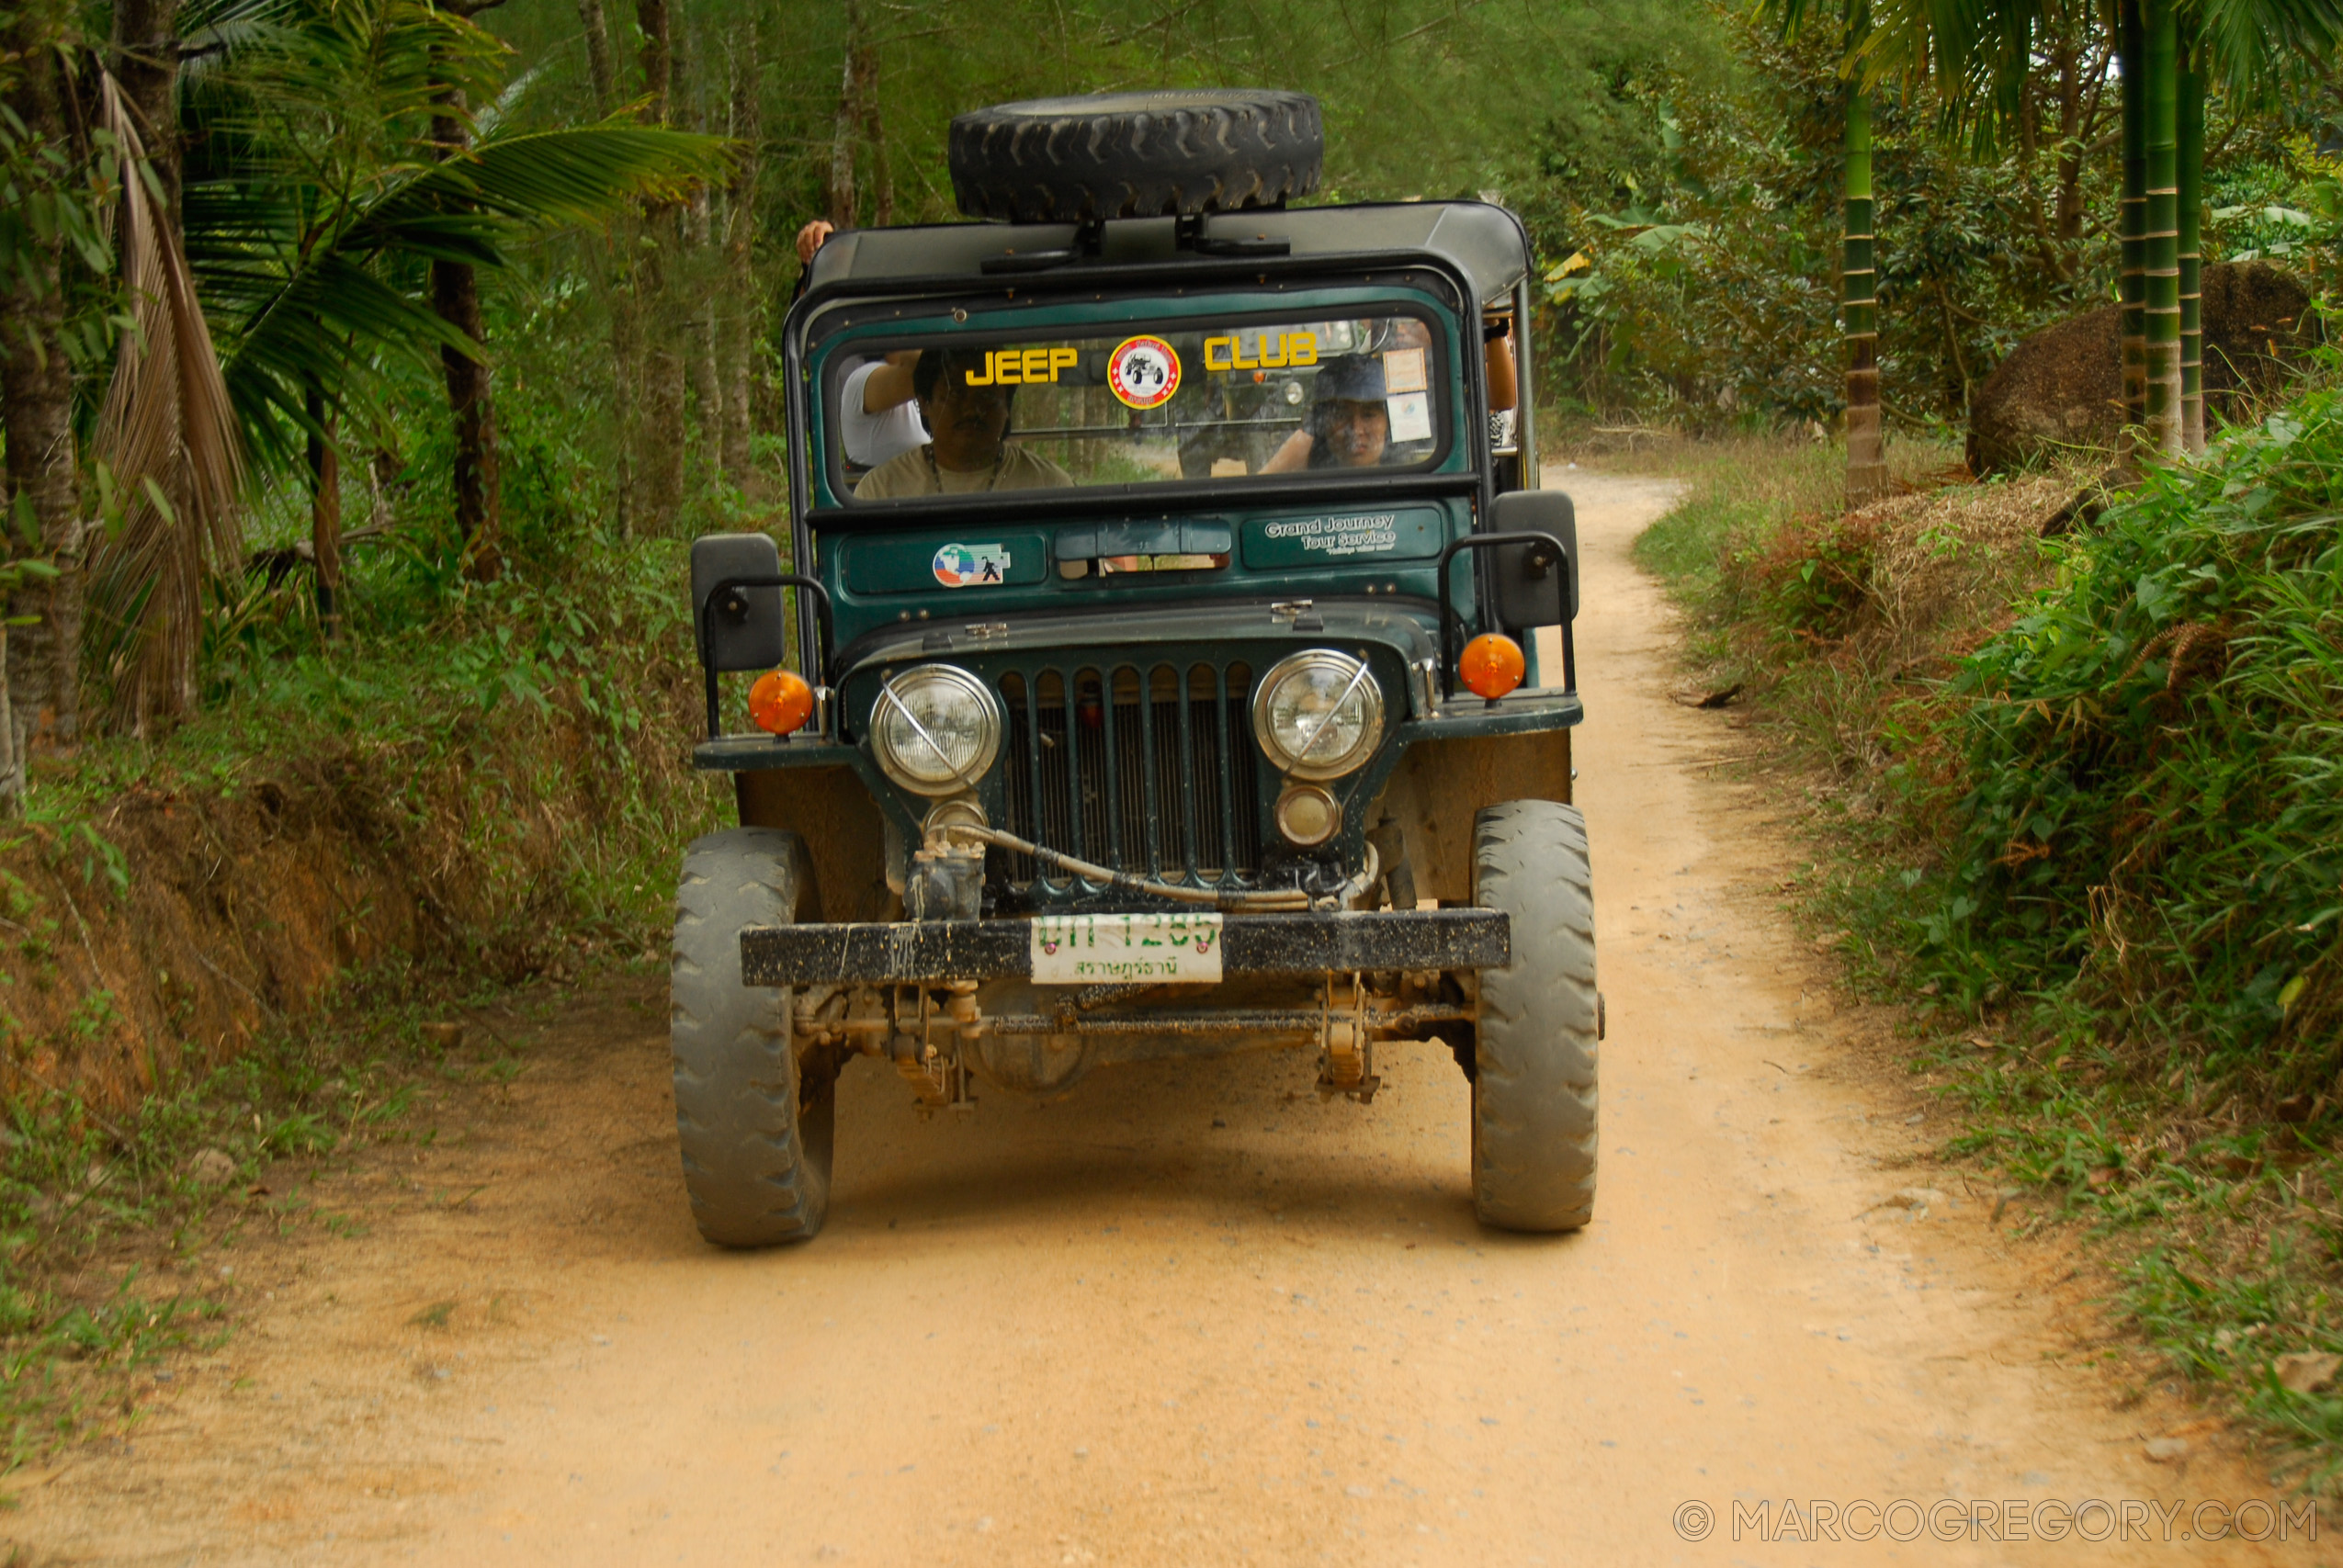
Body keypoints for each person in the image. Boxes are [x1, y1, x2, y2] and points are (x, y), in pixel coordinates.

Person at [855, 349, 1076, 499]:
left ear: (1007, 407)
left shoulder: (1050, 484)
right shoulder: (880, 490)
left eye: (987, 397)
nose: (971, 410)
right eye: (955, 395)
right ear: (924, 403)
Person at [1261, 355, 1393, 471]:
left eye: (1368, 415)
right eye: (1341, 416)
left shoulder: (1407, 476)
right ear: (1323, 424)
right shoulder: (1307, 466)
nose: (1356, 429)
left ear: (1388, 422)